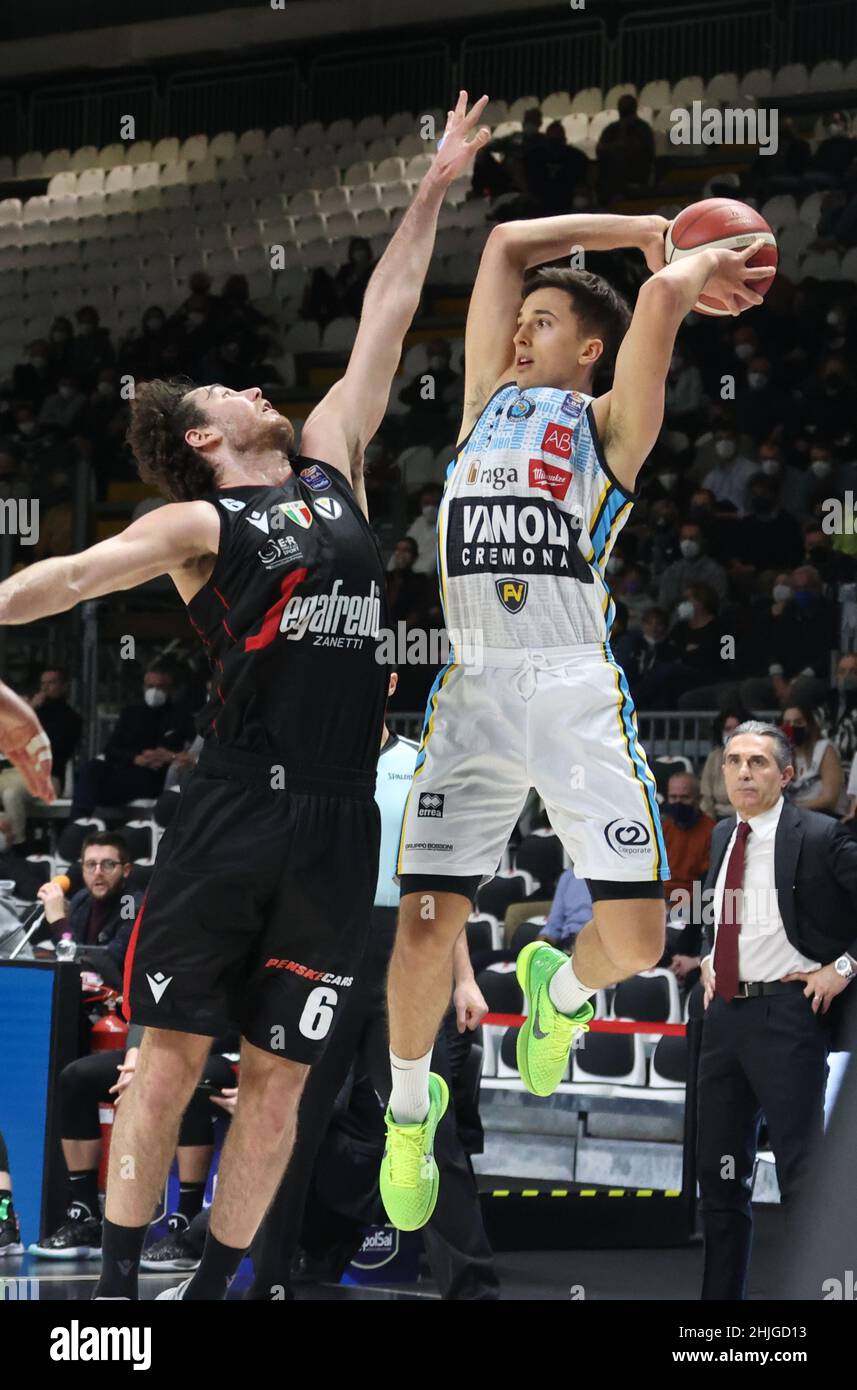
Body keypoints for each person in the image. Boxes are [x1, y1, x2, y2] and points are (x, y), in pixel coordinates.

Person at [0, 91, 490, 1303]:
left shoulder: (333, 459)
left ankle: (216, 1291)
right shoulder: (196, 520)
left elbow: (383, 317)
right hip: (233, 807)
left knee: (277, 1077)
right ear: (205, 438)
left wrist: (430, 190)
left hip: (337, 818)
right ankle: (113, 1298)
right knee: (167, 1059)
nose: (252, 390)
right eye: (225, 394)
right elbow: (58, 579)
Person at [380, 201, 774, 1230]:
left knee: (639, 943)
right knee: (425, 923)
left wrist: (682, 265)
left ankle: (558, 992)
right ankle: (410, 1111)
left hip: (568, 690)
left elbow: (652, 300)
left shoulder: (608, 426)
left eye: (541, 323)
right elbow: (507, 241)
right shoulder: (478, 404)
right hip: (471, 689)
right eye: (519, 321)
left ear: (589, 350)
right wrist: (645, 222)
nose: (518, 329)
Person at [248, 672, 499, 1299]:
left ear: (386, 684)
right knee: (287, 1123)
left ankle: (472, 1289)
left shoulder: (421, 766)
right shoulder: (299, 767)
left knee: (426, 1128)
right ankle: (267, 1280)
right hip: (318, 952)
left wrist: (464, 978)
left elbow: (443, 888)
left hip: (407, 952)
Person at [697, 721, 857, 1300]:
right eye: (734, 761)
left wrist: (838, 970)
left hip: (787, 1017)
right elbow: (719, 916)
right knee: (718, 1181)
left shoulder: (819, 836)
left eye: (758, 762)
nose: (743, 771)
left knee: (802, 1179)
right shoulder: (721, 836)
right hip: (724, 1020)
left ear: (786, 775)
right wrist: (708, 956)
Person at [70, 663, 196, 817]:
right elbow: (111, 749)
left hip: (154, 776)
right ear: (143, 687)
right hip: (127, 766)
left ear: (170, 689)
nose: (154, 691)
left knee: (94, 789)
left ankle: (81, 821)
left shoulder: (181, 718)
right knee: (91, 769)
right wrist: (136, 758)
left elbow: (190, 752)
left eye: (160, 686)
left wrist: (167, 756)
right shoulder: (131, 714)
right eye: (150, 686)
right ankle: (79, 822)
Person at [0, 666, 80, 848]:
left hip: (46, 777)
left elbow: (50, 750)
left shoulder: (71, 718)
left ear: (64, 686)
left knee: (11, 795)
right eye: (43, 683)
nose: (45, 688)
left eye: (52, 683)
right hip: (13, 772)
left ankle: (16, 847)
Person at [782, 701, 845, 816]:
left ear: (810, 724)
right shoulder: (783, 755)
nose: (792, 727)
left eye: (798, 722)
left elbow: (830, 799)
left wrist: (792, 808)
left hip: (827, 817)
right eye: (787, 723)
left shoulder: (824, 749)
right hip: (796, 818)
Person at [595, 95, 655, 204]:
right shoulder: (611, 129)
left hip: (635, 175)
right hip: (610, 177)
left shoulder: (643, 128)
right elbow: (600, 150)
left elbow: (646, 154)